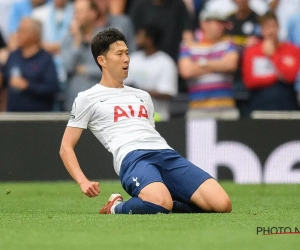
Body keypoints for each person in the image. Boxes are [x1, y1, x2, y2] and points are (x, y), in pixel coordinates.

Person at [59, 27, 232, 215]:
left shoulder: (142, 96)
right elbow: (66, 147)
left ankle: (161, 200)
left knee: (222, 205)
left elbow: (149, 131)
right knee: (160, 203)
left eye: (127, 53)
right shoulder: (87, 98)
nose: (126, 59)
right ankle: (115, 207)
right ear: (102, 60)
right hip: (132, 158)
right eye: (119, 54)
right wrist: (83, 181)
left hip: (165, 153)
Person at [178, 10, 239, 119]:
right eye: (218, 22)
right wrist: (219, 64)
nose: (222, 26)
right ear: (204, 24)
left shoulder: (228, 43)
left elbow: (230, 65)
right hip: (198, 110)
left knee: (229, 137)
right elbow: (186, 71)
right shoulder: (188, 46)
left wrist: (202, 63)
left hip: (226, 109)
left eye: (223, 23)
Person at [242, 12, 300, 112]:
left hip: (287, 105)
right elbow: (249, 82)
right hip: (259, 104)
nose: (270, 31)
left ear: (278, 27)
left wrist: (273, 55)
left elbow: (290, 77)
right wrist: (277, 76)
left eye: (272, 26)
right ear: (260, 29)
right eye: (266, 27)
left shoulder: (292, 50)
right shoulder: (252, 51)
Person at [2, 17, 60, 112]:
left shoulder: (45, 59)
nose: (18, 34)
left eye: (22, 31)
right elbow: (4, 81)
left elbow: (53, 88)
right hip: (12, 116)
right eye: (18, 30)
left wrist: (27, 85)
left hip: (37, 118)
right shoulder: (13, 56)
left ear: (35, 34)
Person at [124, 24, 178, 121]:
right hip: (132, 119)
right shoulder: (132, 59)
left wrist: (140, 90)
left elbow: (168, 93)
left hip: (157, 119)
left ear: (150, 40)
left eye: (141, 36)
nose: (137, 38)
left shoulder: (165, 62)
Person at [61, 0, 102, 111]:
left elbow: (111, 70)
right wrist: (77, 42)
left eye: (80, 12)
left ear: (93, 14)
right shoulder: (69, 39)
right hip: (73, 104)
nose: (76, 16)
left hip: (100, 103)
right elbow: (67, 67)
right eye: (75, 12)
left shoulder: (104, 39)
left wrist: (85, 70)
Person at [32, 0, 74, 110]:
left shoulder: (76, 11)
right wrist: (63, 46)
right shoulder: (38, 13)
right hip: (45, 70)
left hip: (70, 69)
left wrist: (48, 46)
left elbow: (78, 42)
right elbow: (33, 43)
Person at [223, 0, 261, 117]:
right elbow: (223, 42)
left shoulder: (257, 19)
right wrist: (245, 43)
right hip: (231, 73)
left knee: (248, 111)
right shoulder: (228, 20)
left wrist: (235, 43)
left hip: (250, 72)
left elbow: (259, 44)